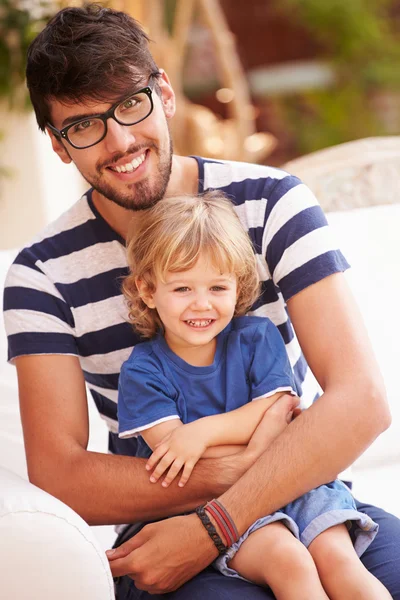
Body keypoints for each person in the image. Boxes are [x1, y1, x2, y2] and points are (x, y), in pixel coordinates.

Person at [2, 3, 399, 598]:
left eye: (130, 104)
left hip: (310, 504)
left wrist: (220, 519)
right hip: (163, 531)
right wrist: (243, 471)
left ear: (163, 92)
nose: (120, 141)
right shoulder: (40, 274)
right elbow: (61, 475)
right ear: (59, 146)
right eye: (83, 126)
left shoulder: (273, 203)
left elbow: (362, 402)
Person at [117, 191, 390, 600]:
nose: (202, 304)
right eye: (182, 288)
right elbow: (178, 457)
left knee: (338, 559)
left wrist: (204, 431)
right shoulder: (143, 371)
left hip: (295, 486)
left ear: (238, 286)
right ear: (148, 289)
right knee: (289, 561)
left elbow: (276, 408)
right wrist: (260, 437)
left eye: (217, 287)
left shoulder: (257, 337)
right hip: (207, 507)